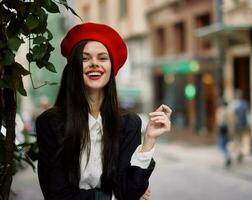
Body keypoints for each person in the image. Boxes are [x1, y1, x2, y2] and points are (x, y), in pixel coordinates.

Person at [35, 22, 172, 200]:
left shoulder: (129, 123)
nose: (94, 64)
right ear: (74, 68)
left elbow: (129, 191)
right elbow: (56, 194)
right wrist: (112, 197)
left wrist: (149, 140)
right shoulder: (50, 123)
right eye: (85, 59)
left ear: (110, 68)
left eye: (102, 58)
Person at [229, 89, 250, 163]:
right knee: (240, 140)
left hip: (236, 125)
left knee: (237, 140)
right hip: (242, 125)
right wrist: (248, 123)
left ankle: (238, 153)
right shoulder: (245, 103)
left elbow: (231, 116)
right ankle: (239, 152)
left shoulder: (234, 104)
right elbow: (248, 115)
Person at [216, 99, 234, 167]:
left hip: (222, 130)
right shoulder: (229, 111)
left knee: (221, 145)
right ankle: (227, 155)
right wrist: (231, 132)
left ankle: (227, 156)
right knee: (225, 145)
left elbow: (219, 122)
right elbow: (232, 123)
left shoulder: (220, 111)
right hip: (227, 130)